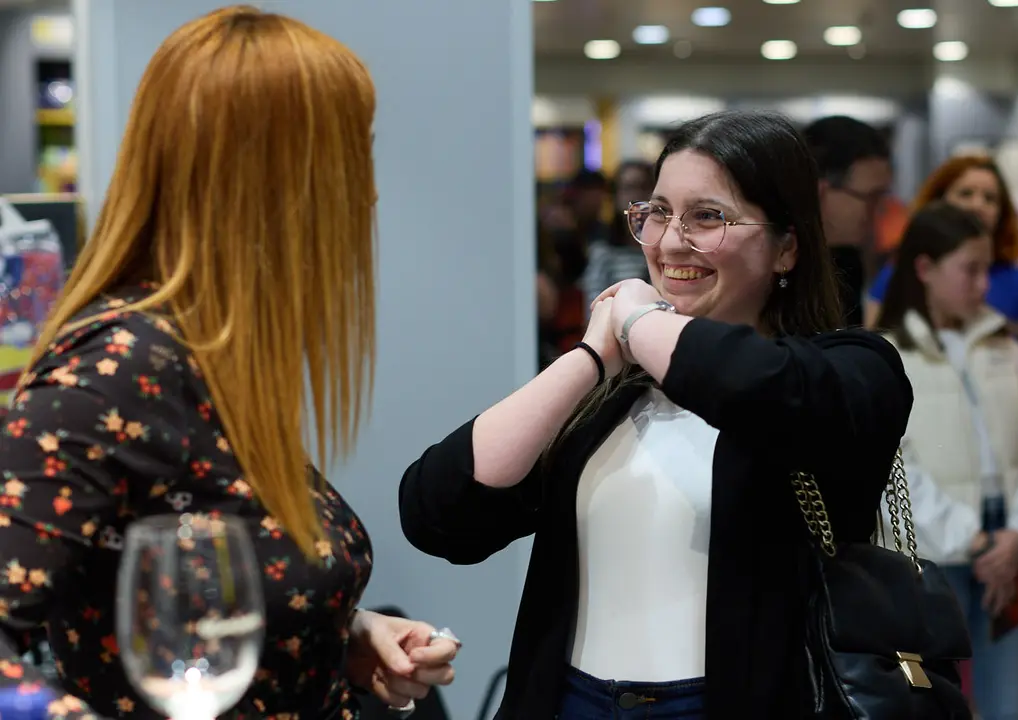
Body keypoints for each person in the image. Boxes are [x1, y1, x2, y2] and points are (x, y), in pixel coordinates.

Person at [0, 7, 459, 719]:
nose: (366, 193)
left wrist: (330, 633)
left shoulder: (209, 356)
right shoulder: (119, 369)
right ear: (277, 179)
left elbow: (186, 585)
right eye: (353, 157)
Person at [399, 110, 913, 719]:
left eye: (707, 216)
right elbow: (439, 513)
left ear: (787, 247)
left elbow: (752, 385)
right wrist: (591, 356)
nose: (670, 242)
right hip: (573, 701)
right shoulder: (614, 396)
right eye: (659, 213)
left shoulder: (850, 369)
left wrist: (642, 321)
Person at [877, 202, 1018, 720]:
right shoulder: (887, 355)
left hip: (1009, 541)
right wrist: (973, 539)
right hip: (932, 555)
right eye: (971, 269)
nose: (985, 285)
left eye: (990, 269)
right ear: (924, 268)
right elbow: (895, 469)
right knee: (931, 702)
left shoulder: (1006, 349)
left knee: (1009, 701)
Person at [864, 156, 1018, 367]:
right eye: (965, 194)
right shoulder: (896, 274)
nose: (977, 205)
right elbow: (873, 350)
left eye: (990, 198)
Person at [803, 115, 894, 327]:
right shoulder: (776, 270)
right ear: (820, 192)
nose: (880, 209)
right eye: (871, 197)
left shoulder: (848, 262)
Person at [580, 160, 655, 310]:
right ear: (615, 196)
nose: (636, 195)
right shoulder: (603, 251)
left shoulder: (664, 246)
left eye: (643, 187)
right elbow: (594, 308)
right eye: (628, 188)